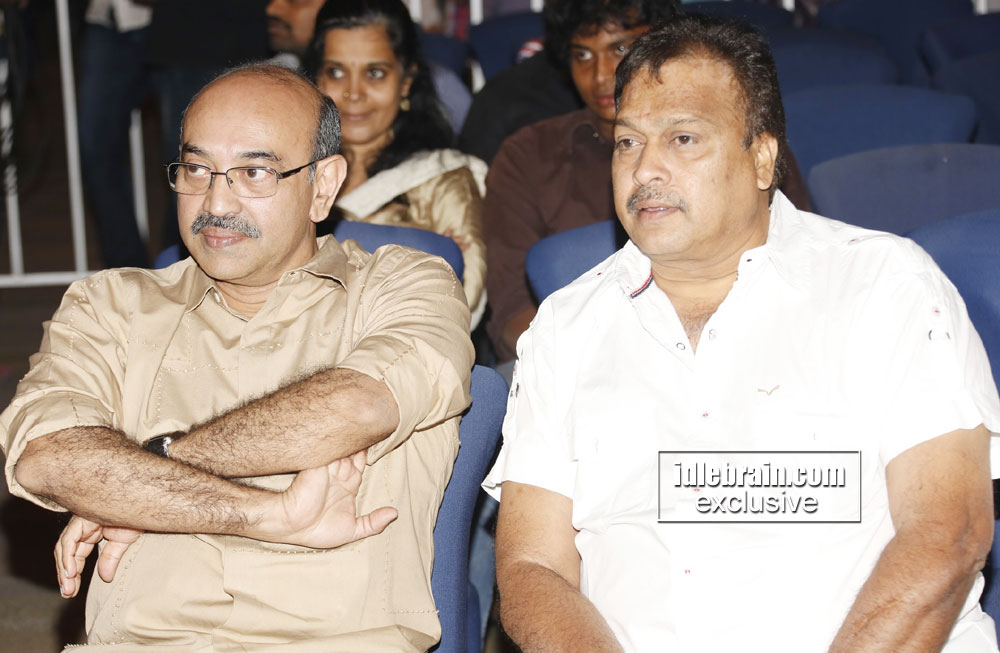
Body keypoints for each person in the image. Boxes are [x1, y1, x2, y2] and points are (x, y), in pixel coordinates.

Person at [484, 15, 1000, 652]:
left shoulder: (884, 285)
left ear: (762, 157)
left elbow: (947, 535)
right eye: (628, 142)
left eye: (682, 139)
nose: (645, 169)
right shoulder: (566, 326)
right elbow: (532, 567)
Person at [2, 63, 473, 651]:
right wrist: (269, 514)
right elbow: (46, 458)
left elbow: (357, 406)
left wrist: (147, 470)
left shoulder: (404, 284)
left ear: (322, 185)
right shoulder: (109, 304)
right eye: (196, 169)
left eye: (254, 172)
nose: (216, 200)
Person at [482, 0, 811, 365]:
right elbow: (512, 309)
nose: (601, 75)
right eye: (582, 55)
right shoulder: (527, 154)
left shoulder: (743, 146)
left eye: (621, 48)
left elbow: (799, 258)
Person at [307, 0, 487, 324]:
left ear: (406, 81)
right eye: (336, 72)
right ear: (317, 78)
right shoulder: (286, 172)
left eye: (375, 73)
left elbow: (464, 299)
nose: (353, 93)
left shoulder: (443, 177)